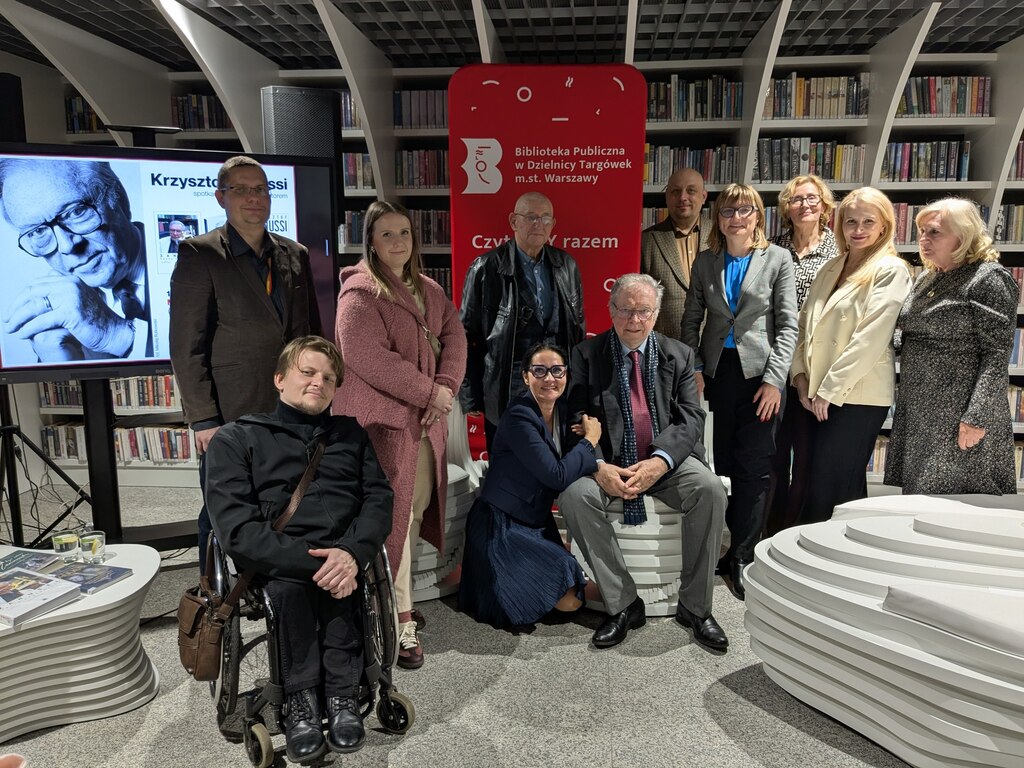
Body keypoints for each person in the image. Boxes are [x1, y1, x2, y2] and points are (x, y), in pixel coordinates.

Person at [205, 336, 392, 762]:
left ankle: (343, 696)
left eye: (328, 378)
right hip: (278, 559)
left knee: (348, 583)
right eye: (307, 372)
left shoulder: (351, 435)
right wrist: (319, 565)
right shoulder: (237, 439)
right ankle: (301, 701)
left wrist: (352, 553)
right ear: (279, 379)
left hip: (345, 552)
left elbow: (379, 500)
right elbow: (236, 529)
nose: (318, 383)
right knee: (293, 589)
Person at [559, 273, 729, 652]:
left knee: (710, 490)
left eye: (644, 311)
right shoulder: (586, 355)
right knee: (574, 497)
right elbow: (574, 417)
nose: (634, 320)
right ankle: (623, 604)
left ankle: (696, 607)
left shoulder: (678, 354)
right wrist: (598, 465)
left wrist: (660, 462)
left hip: (667, 462)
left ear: (656, 313)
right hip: (609, 461)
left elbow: (691, 418)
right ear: (611, 310)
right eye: (626, 310)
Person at [169, 155, 321, 573]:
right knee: (223, 509)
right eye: (241, 189)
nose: (253, 198)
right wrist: (203, 419)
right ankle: (213, 594)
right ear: (221, 197)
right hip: (231, 410)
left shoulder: (295, 254)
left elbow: (311, 334)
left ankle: (277, 584)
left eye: (261, 189)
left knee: (290, 499)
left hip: (292, 406)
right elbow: (186, 346)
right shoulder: (199, 254)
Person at [335, 201, 466, 670]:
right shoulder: (359, 294)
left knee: (411, 517)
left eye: (405, 233)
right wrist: (431, 393)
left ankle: (392, 599)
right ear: (370, 241)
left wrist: (444, 387)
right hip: (386, 428)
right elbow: (368, 357)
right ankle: (399, 617)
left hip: (425, 426)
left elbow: (455, 338)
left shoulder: (430, 289)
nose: (398, 242)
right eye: (387, 234)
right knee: (392, 520)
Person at [681, 183, 797, 600]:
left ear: (758, 215)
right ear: (718, 217)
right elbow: (691, 319)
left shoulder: (777, 258)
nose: (736, 218)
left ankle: (744, 555)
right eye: (728, 210)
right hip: (719, 374)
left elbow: (788, 325)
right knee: (726, 464)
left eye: (745, 209)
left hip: (761, 377)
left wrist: (774, 380)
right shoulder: (705, 261)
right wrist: (695, 367)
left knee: (755, 466)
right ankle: (732, 548)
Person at [459, 343, 602, 628]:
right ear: (526, 376)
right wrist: (589, 441)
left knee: (573, 599)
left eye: (557, 370)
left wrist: (588, 449)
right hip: (501, 524)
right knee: (566, 596)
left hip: (536, 520)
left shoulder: (563, 411)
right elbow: (557, 476)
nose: (549, 378)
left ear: (566, 374)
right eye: (539, 371)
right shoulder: (519, 416)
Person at [791, 186, 912, 523]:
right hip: (813, 393)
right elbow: (804, 326)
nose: (858, 229)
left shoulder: (891, 269)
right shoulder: (832, 266)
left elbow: (870, 338)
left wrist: (829, 389)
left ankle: (819, 549)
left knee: (830, 488)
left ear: (884, 226)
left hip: (855, 396)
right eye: (850, 221)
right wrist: (799, 378)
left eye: (868, 222)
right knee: (828, 484)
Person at [885, 198, 1017, 494]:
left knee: (948, 508)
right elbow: (911, 333)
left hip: (958, 415)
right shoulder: (928, 277)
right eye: (921, 231)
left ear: (964, 235)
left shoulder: (988, 279)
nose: (923, 239)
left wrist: (976, 418)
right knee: (918, 502)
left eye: (934, 232)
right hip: (920, 412)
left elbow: (996, 356)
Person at [460, 191, 586, 450]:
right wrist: (470, 395)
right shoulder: (484, 268)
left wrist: (578, 389)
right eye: (530, 217)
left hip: (555, 380)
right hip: (508, 380)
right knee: (509, 460)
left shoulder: (567, 265)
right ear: (513, 221)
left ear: (553, 224)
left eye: (545, 218)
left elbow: (577, 331)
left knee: (554, 455)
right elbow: (466, 336)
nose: (538, 224)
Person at [0, 158, 150, 362]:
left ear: (119, 199)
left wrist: (118, 335)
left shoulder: (190, 262)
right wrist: (61, 368)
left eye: (75, 212)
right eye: (38, 231)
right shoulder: (58, 320)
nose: (66, 246)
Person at [767, 175, 840, 534]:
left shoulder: (839, 250)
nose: (804, 205)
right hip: (775, 361)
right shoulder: (772, 247)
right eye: (796, 199)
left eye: (812, 198)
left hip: (816, 364)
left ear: (824, 206)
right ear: (786, 207)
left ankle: (797, 530)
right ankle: (770, 529)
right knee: (774, 452)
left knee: (808, 455)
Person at [640, 167, 711, 340]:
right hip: (666, 346)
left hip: (715, 345)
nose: (683, 197)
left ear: (703, 196)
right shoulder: (646, 241)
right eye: (675, 191)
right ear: (666, 197)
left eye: (691, 191)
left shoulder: (722, 237)